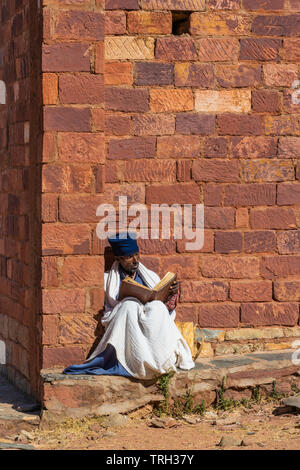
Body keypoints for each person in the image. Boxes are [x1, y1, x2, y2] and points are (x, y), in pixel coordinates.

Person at [63, 233, 195, 379]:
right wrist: (131, 301)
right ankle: (135, 363)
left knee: (157, 307)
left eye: (137, 254)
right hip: (129, 322)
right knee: (129, 305)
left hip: (150, 325)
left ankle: (158, 360)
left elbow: (165, 313)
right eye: (129, 257)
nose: (135, 260)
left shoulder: (150, 276)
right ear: (118, 259)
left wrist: (170, 294)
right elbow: (110, 312)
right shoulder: (109, 280)